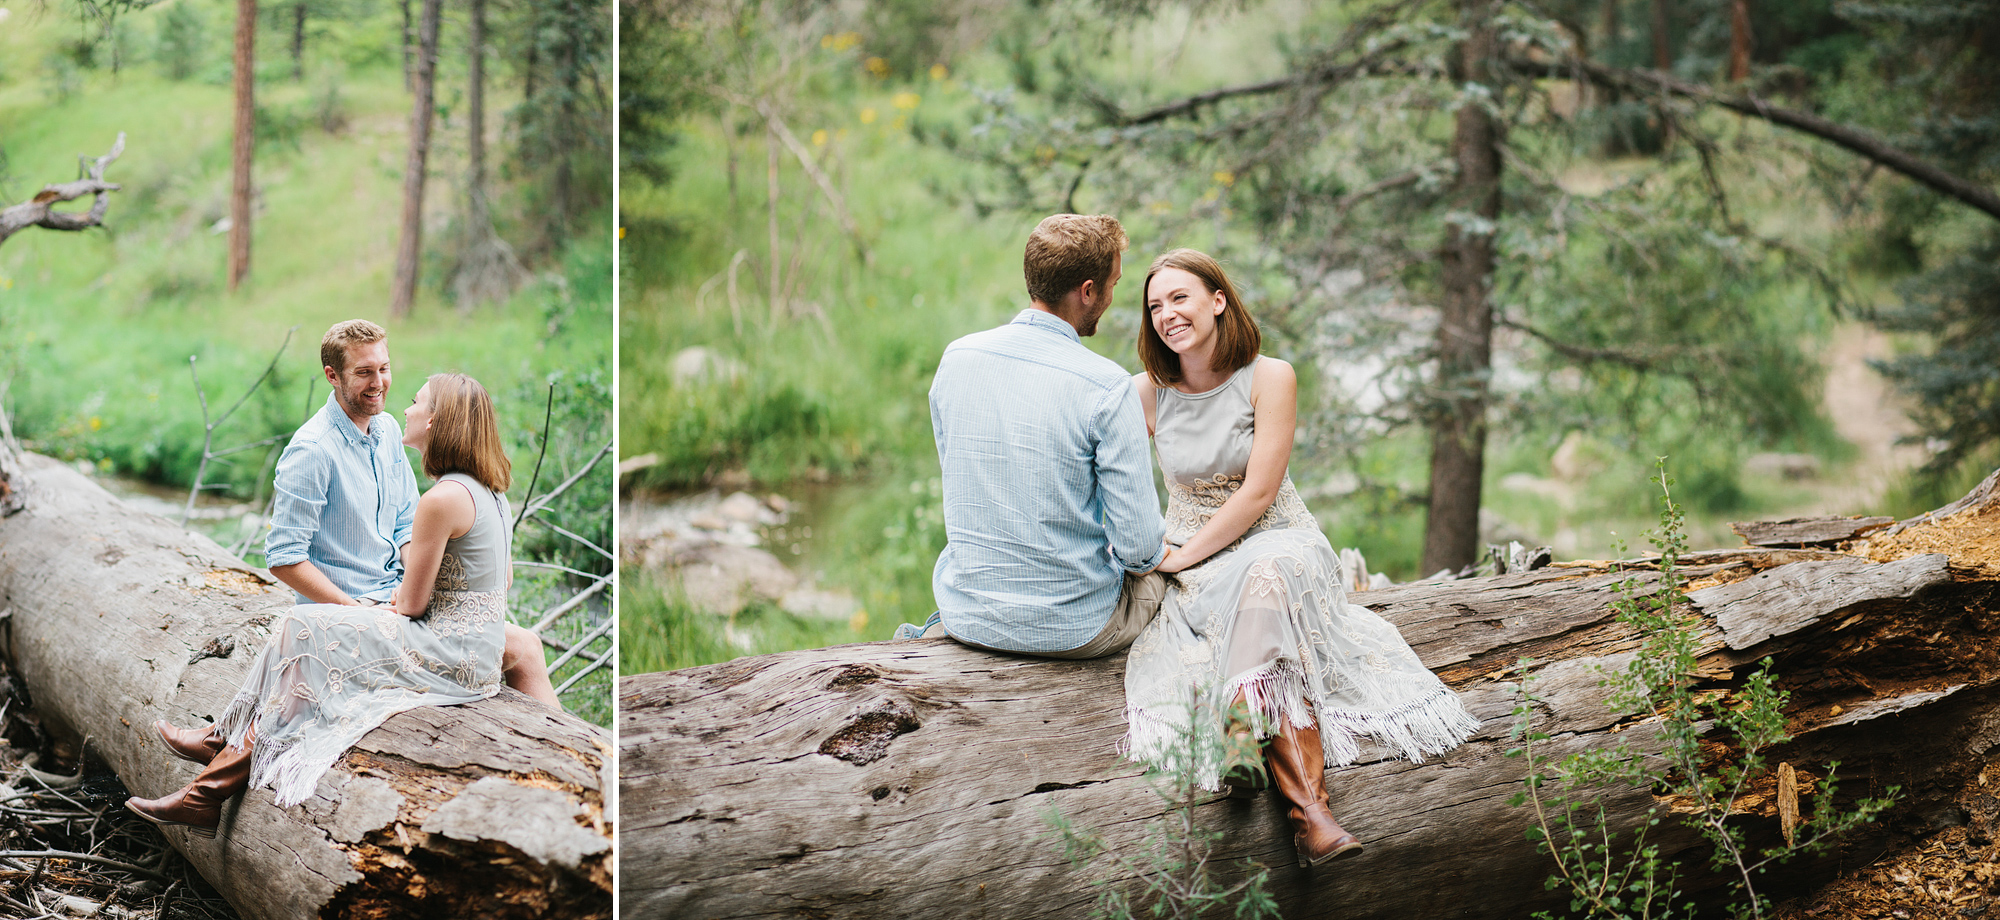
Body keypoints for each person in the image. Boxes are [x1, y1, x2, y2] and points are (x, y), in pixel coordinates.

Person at [1121, 249, 1479, 868]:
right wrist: (1151, 547)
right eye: (1155, 305)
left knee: (1268, 578)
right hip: (1194, 553)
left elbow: (1260, 493)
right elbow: (1104, 473)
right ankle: (1312, 817)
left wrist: (1180, 560)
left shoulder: (1270, 376)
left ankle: (1246, 741)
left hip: (1276, 538)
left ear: (1218, 300)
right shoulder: (1145, 394)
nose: (1167, 315)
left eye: (1180, 298)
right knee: (1253, 620)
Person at [128, 373, 519, 833]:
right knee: (306, 623)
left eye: (417, 402)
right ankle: (218, 753)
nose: (407, 408)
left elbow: (412, 607)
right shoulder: (490, 493)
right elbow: (498, 583)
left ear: (436, 421)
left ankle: (210, 782)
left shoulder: (441, 499)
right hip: (473, 649)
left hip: (449, 655)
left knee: (308, 628)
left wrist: (385, 608)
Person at [897, 213, 1171, 657]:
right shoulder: (1107, 385)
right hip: (1075, 629)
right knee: (1174, 581)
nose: (1113, 296)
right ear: (1088, 291)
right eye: (1114, 285)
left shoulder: (957, 358)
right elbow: (1139, 549)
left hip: (969, 616)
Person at [262, 320, 557, 707]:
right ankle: (228, 740)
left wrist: (415, 577)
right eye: (364, 372)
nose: (379, 383)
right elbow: (284, 558)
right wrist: (353, 610)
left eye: (383, 369)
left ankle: (584, 751)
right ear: (332, 376)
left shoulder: (386, 432)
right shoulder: (313, 450)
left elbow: (406, 525)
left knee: (528, 646)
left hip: (398, 603)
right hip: (349, 607)